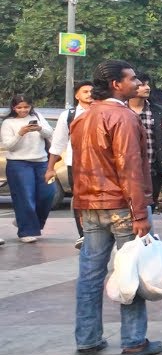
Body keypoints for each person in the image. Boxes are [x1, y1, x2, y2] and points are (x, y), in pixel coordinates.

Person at [71, 60, 162, 355]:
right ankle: (134, 339)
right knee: (131, 272)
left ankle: (87, 338)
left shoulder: (82, 118)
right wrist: (140, 212)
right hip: (121, 206)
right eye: (132, 79)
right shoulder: (121, 116)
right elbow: (130, 168)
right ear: (116, 84)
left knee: (90, 274)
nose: (137, 83)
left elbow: (78, 166)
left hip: (89, 205)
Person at [1, 94, 55, 244]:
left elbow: (50, 133)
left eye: (26, 107)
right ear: (13, 108)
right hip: (18, 164)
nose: (23, 110)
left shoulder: (37, 116)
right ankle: (26, 230)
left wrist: (39, 129)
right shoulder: (8, 123)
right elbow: (9, 146)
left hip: (41, 162)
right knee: (25, 198)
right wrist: (20, 133)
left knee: (48, 194)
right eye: (19, 107)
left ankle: (24, 221)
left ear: (31, 106)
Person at [48, 81, 94, 246]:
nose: (89, 94)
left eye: (92, 91)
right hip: (76, 164)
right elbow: (58, 143)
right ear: (77, 95)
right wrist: (50, 168)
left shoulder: (103, 112)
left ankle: (98, 233)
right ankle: (83, 234)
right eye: (85, 91)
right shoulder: (68, 116)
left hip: (101, 165)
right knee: (79, 199)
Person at [127, 73, 162, 213]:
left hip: (152, 171)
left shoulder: (158, 112)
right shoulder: (120, 111)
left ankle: (145, 234)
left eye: (148, 84)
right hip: (127, 171)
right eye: (142, 84)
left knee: (148, 207)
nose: (147, 88)